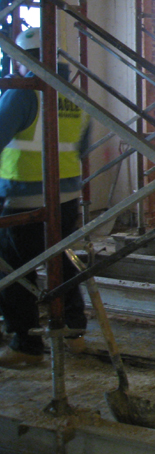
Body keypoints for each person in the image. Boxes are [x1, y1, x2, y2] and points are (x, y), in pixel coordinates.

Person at [0, 27, 90, 367]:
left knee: (15, 274)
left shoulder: (23, 92)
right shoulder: (71, 93)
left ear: (21, 58)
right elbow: (81, 147)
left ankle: (25, 344)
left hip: (23, 199)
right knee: (63, 265)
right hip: (66, 197)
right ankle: (74, 332)